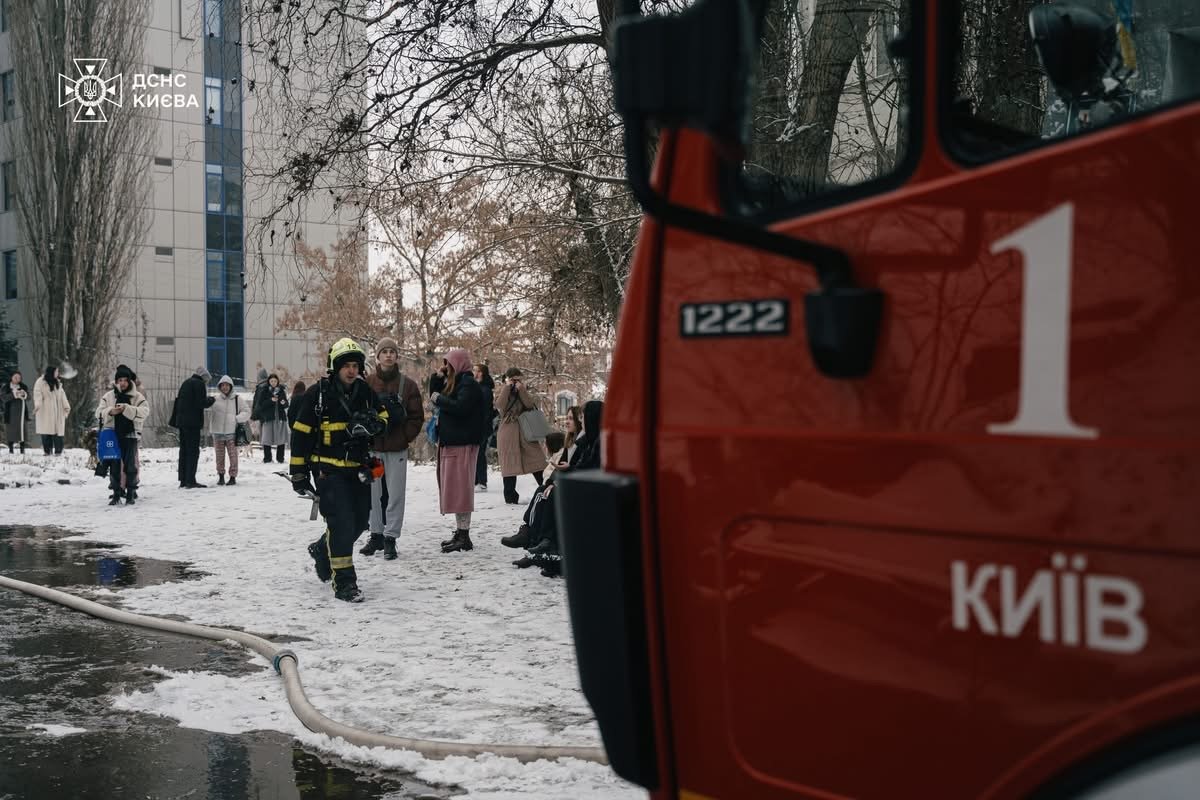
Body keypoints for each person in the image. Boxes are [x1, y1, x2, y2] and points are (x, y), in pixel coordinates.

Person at [290, 337, 390, 603]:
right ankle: (345, 584)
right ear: (335, 367)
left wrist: (375, 423)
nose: (351, 370)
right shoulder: (317, 394)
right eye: (345, 365)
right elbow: (300, 435)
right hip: (327, 472)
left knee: (360, 522)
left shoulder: (365, 392)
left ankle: (323, 549)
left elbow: (384, 417)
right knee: (341, 522)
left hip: (358, 469)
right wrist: (298, 473)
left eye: (355, 365)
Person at [360, 337, 424, 561]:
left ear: (397, 356)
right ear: (377, 356)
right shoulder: (367, 383)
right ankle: (375, 535)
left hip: (396, 451)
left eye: (392, 351)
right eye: (384, 351)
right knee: (373, 493)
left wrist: (403, 437)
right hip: (374, 450)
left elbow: (417, 418)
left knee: (395, 494)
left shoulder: (408, 385)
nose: (388, 355)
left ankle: (390, 538)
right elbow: (358, 413)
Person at [431, 348, 486, 553]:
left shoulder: (468, 384)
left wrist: (439, 399)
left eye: (449, 364)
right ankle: (460, 532)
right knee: (454, 490)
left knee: (461, 490)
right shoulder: (457, 383)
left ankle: (464, 536)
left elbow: (460, 407)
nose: (446, 368)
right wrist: (437, 378)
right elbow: (434, 396)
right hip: (453, 442)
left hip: (462, 444)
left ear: (458, 364)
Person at [98, 365, 149, 505]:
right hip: (112, 434)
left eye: (125, 380)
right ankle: (116, 493)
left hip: (131, 434)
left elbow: (145, 412)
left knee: (130, 465)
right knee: (114, 465)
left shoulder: (137, 396)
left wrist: (126, 409)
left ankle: (131, 493)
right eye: (120, 380)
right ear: (116, 381)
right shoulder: (108, 396)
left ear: (129, 381)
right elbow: (99, 412)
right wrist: (110, 411)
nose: (122, 383)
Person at [495, 367, 545, 504]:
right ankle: (510, 497)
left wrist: (521, 389)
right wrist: (507, 388)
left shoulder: (525, 390)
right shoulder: (503, 390)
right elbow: (499, 405)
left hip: (525, 430)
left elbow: (529, 405)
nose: (516, 381)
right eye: (513, 379)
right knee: (509, 463)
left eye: (519, 379)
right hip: (508, 430)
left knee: (537, 459)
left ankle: (546, 488)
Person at [175, 366, 215, 488]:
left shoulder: (186, 383)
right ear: (204, 377)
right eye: (207, 380)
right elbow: (200, 403)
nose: (207, 382)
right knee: (193, 451)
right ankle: (190, 480)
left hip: (182, 422)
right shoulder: (199, 384)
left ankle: (183, 479)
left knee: (184, 450)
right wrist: (211, 400)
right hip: (192, 423)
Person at [207, 375, 250, 486]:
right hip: (218, 433)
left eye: (227, 385)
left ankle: (232, 477)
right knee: (219, 456)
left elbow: (247, 411)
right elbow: (205, 407)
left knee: (233, 456)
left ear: (231, 386)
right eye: (223, 385)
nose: (225, 387)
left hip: (232, 433)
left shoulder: (237, 399)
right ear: (219, 387)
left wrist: (236, 418)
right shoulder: (215, 399)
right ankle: (221, 476)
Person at [33, 366, 71, 455]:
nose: (58, 373)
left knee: (58, 434)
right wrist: (37, 405)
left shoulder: (58, 382)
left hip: (58, 411)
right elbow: (37, 395)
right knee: (46, 433)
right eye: (56, 371)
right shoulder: (40, 382)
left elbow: (62, 395)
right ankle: (47, 452)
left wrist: (66, 406)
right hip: (46, 411)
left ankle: (58, 452)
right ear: (51, 372)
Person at [472, 363, 497, 491]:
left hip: (482, 427)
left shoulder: (485, 389)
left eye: (476, 370)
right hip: (478, 426)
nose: (473, 372)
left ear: (481, 373)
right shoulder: (479, 387)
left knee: (480, 453)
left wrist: (480, 426)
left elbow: (486, 411)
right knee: (477, 453)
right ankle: (476, 481)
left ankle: (482, 482)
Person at [255, 373, 289, 463]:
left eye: (275, 381)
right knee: (267, 438)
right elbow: (261, 405)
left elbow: (286, 404)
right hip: (268, 418)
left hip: (280, 418)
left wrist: (283, 402)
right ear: (269, 382)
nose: (273, 383)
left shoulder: (281, 391)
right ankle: (267, 458)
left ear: (277, 382)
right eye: (271, 381)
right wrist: (271, 401)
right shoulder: (264, 391)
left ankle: (280, 458)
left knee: (281, 438)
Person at [1, 372, 31, 454]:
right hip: (10, 412)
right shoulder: (6, 387)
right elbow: (3, 397)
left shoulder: (23, 386)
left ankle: (22, 449)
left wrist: (24, 394)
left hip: (22, 412)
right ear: (11, 377)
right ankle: (11, 449)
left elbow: (29, 397)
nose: (17, 379)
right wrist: (13, 395)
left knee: (22, 430)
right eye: (15, 377)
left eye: (19, 377)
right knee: (10, 430)